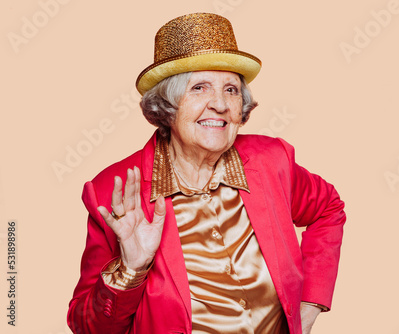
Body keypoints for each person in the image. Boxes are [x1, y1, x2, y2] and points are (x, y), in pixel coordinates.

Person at [67, 12, 346, 334]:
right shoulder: (112, 191)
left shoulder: (273, 160)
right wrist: (131, 269)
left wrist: (310, 303)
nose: (220, 104)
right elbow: (87, 327)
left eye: (231, 90)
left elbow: (329, 209)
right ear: (167, 107)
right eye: (199, 88)